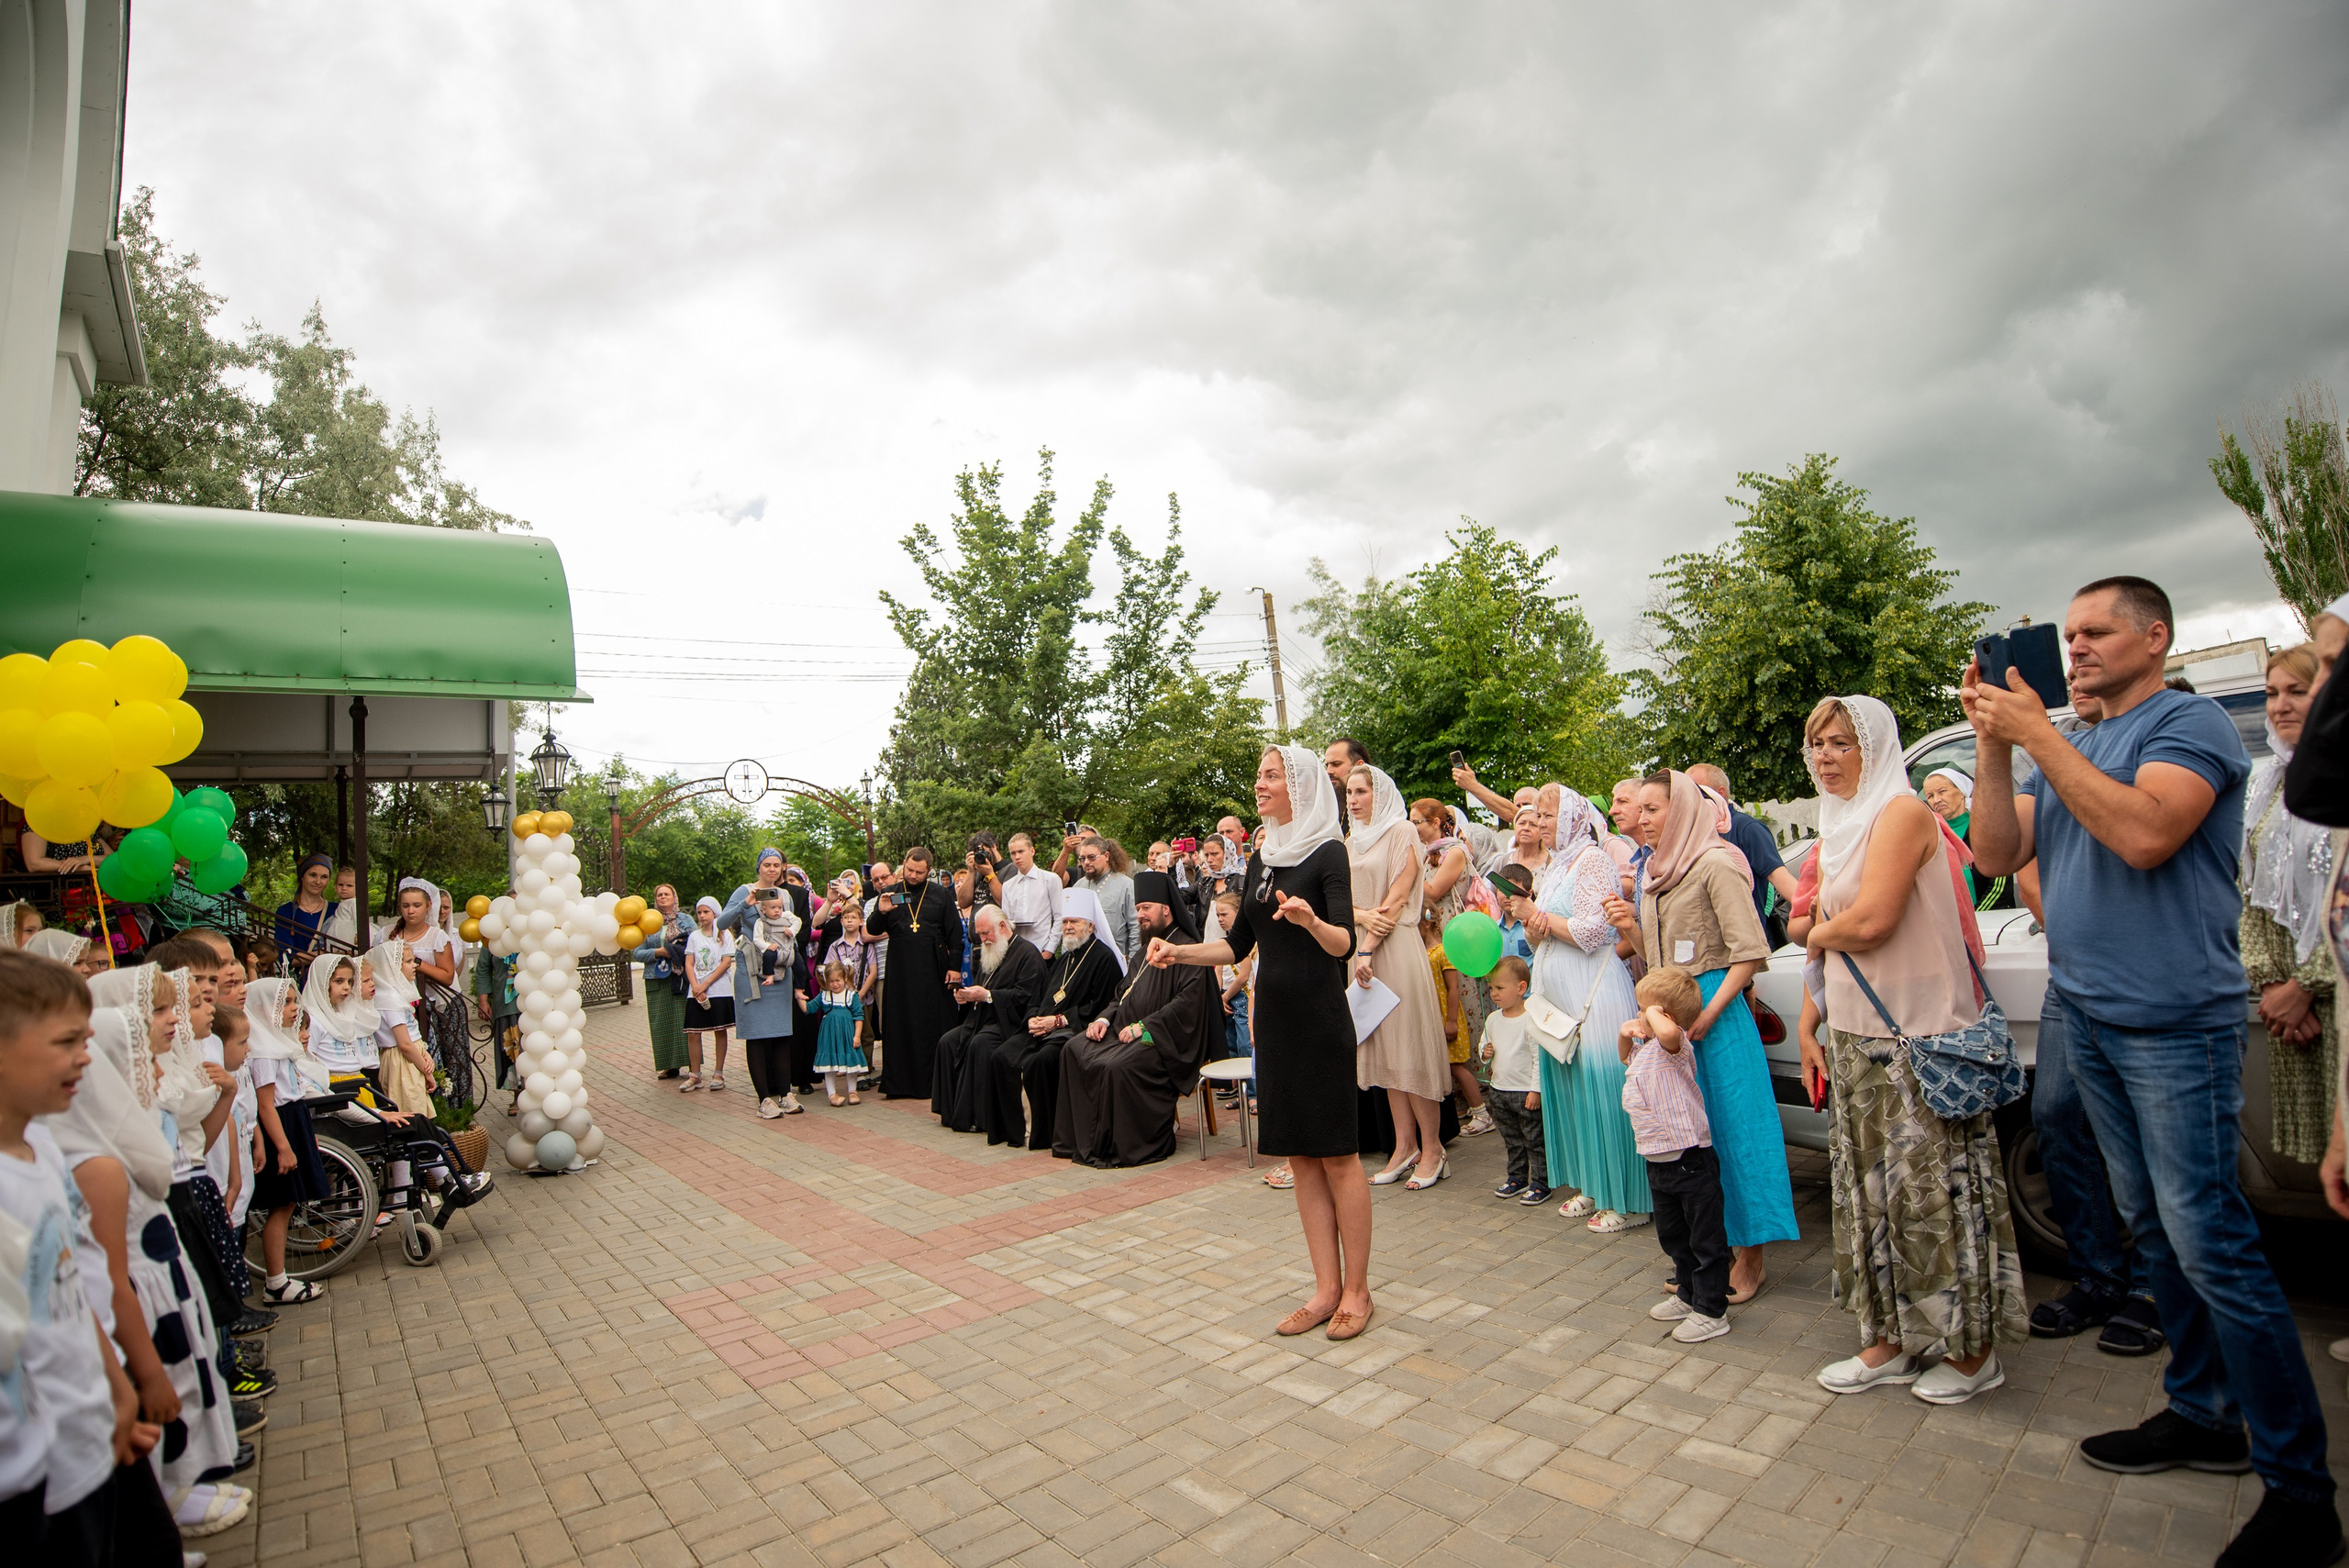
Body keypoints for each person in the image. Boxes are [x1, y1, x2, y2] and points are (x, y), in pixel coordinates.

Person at [1966, 576, 2334, 1563]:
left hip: (2175, 1022)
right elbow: (1995, 851)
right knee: (2155, 1231)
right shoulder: (2070, 740)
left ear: (2155, 636)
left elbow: (2143, 834)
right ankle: (2204, 1412)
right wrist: (1996, 744)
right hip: (2088, 1012)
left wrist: (2038, 736)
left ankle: (2302, 1490)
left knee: (2212, 1240)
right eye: (2069, 633)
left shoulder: (2189, 724)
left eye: (2095, 631)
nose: (2076, 647)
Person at [1796, 695, 2025, 1405]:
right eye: (1816, 743)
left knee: (1931, 1199)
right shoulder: (1841, 826)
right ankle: (1888, 1342)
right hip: (1859, 1035)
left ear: (1876, 747)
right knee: (1873, 1197)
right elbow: (1836, 927)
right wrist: (1813, 1013)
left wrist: (1812, 932)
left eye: (1842, 742)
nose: (1826, 756)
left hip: (1915, 1040)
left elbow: (1871, 921)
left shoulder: (1900, 813)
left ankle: (1972, 1352)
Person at [1149, 745, 1370, 1336]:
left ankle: (1357, 1292)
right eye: (1258, 775)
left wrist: (1311, 921)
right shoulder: (1263, 858)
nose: (1260, 783)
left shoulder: (1328, 852)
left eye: (1272, 775)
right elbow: (1236, 944)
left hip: (1321, 1020)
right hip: (1274, 1022)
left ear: (1299, 785)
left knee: (1338, 1156)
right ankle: (1325, 1290)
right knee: (1299, 1156)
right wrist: (1178, 953)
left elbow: (1345, 943)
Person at [0, 949, 183, 1565]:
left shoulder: (43, 1149)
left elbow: (72, 1289)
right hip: (31, 1472)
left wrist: (116, 1389)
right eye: (66, 1042)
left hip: (92, 1428)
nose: (86, 1057)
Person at [1608, 772, 1797, 1303]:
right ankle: (1710, 1250)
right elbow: (1658, 956)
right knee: (1691, 1136)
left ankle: (1751, 1256)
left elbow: (1751, 951)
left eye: (1653, 809)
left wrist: (1711, 1012)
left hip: (1718, 1012)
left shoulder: (1715, 863)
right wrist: (1628, 927)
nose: (1642, 818)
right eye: (1640, 809)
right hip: (1673, 1014)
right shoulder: (1654, 873)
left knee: (1737, 1131)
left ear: (1684, 810)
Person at [1531, 789, 1648, 1233]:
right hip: (1560, 996)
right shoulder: (1556, 865)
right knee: (1575, 1094)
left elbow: (1594, 932)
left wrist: (1542, 920)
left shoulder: (1593, 860)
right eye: (1538, 815)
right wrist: (1531, 921)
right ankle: (1593, 1184)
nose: (1540, 823)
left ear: (1573, 818)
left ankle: (1628, 1199)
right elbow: (1542, 935)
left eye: (1549, 815)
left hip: (1593, 993)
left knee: (1604, 1093)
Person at [1053, 870, 1221, 1167]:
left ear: (1166, 909)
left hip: (1165, 1039)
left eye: (1146, 908)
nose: (1140, 915)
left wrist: (1145, 1026)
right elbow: (1121, 994)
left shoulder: (1187, 950)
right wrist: (1103, 1020)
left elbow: (1187, 1005)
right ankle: (1080, 1141)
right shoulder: (1145, 950)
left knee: (1116, 1067)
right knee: (1073, 1049)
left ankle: (1125, 1145)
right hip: (1124, 1030)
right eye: (1138, 909)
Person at [2240, 643, 2334, 1165]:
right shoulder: (2271, 786)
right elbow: (2250, 894)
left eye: (2297, 691)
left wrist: (2307, 986)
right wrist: (2274, 984)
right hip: (2295, 1012)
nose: (2280, 705)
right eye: (2272, 693)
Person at [1346, 764, 1452, 1189]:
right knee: (1386, 1053)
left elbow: (1398, 895)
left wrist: (1368, 947)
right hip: (1362, 949)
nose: (1353, 799)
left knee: (1410, 1049)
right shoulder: (1350, 840)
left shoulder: (1402, 832)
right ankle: (1404, 1146)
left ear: (1382, 793)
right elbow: (1342, 900)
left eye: (1361, 791)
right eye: (1349, 792)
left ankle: (1434, 1148)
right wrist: (1360, 924)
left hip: (1394, 948)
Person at [1619, 965, 1731, 1343]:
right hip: (1657, 1159)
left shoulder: (1675, 1046)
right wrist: (1625, 1033)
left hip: (1689, 1159)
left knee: (1706, 1238)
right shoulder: (1647, 1050)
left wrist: (1653, 1014)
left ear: (1663, 1015)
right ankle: (1688, 1292)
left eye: (1643, 1009)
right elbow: (1623, 1057)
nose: (1639, 1015)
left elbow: (1667, 1031)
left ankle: (1712, 1310)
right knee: (1674, 1235)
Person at [976, 889, 1121, 1150]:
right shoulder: (1064, 959)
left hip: (1073, 1031)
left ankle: (1040, 1134)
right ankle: (1012, 1131)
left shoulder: (1104, 959)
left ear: (1091, 926)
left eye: (1074, 921)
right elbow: (1040, 996)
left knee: (1041, 1061)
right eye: (1065, 922)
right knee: (1001, 1056)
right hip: (1043, 1028)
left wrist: (1058, 1021)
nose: (1068, 927)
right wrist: (1033, 1017)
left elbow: (1100, 1006)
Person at [241, 977, 330, 1306]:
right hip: (280, 1125)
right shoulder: (264, 1051)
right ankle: (275, 1281)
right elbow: (266, 1105)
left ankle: (278, 1279)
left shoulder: (278, 1042)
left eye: (295, 1001)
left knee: (288, 1203)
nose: (295, 1009)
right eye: (287, 1003)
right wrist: (283, 1147)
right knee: (281, 1204)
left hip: (292, 1119)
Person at [1413, 799, 1494, 1135]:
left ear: (1435, 822)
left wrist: (1405, 870)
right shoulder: (1425, 853)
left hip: (1453, 938)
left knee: (1463, 1014)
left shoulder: (1456, 852)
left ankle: (1481, 1096)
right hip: (1432, 935)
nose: (1414, 828)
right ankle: (1459, 1096)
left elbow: (1432, 891)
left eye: (1417, 822)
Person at [934, 906, 1045, 1132]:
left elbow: (1026, 996)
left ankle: (978, 1118)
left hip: (1011, 1023)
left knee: (980, 1043)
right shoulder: (990, 950)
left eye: (986, 933)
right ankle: (952, 1113)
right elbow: (981, 987)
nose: (983, 939)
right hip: (983, 1019)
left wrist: (987, 996)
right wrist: (966, 995)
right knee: (947, 1041)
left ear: (1002, 926)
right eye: (979, 934)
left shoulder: (1028, 954)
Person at [864, 847, 961, 1101]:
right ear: (904, 864)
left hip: (934, 965)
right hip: (901, 967)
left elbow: (955, 934)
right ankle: (901, 1084)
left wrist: (954, 967)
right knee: (901, 1022)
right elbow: (872, 930)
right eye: (910, 870)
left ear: (929, 871)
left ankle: (935, 1083)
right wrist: (881, 911)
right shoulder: (889, 893)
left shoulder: (940, 894)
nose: (913, 876)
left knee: (933, 1022)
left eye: (919, 872)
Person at [1687, 765, 1797, 929]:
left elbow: (1778, 877)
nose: (1689, 798)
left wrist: (1815, 913)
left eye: (1698, 791)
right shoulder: (1693, 835)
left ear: (1720, 793)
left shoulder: (1746, 828)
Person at [1477, 956, 1546, 1204]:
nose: (1494, 994)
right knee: (1512, 1140)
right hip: (1499, 1090)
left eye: (1500, 987)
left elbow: (1538, 1058)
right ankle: (1516, 1177)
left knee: (1534, 1140)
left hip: (1524, 1092)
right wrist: (1485, 1053)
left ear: (1521, 988)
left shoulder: (1530, 1019)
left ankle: (1541, 1182)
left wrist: (1536, 1090)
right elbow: (1484, 1047)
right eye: (1491, 988)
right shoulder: (1493, 1019)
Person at [680, 897, 733, 1095]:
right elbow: (689, 963)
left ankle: (718, 1073)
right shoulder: (694, 936)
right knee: (693, 1032)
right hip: (696, 992)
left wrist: (706, 984)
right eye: (699, 912)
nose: (702, 916)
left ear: (715, 913)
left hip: (719, 990)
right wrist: (696, 986)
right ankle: (695, 1075)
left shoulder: (725, 935)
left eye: (706, 912)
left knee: (720, 1029)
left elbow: (726, 963)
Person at [1448, 763, 1541, 873]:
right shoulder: (1510, 845)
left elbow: (1510, 812)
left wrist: (1472, 785)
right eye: (1517, 806)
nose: (1521, 811)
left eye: (1526, 805)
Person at [638, 884, 689, 1079]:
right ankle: (669, 1066)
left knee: (684, 1021)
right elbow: (637, 953)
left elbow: (694, 943)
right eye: (659, 894)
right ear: (655, 899)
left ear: (674, 897)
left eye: (667, 894)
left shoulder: (685, 920)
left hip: (680, 977)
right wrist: (658, 952)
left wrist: (676, 952)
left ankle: (692, 1065)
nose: (663, 897)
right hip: (656, 978)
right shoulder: (646, 921)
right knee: (661, 1024)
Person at [1067, 837, 1140, 964]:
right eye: (1082, 858)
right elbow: (1069, 926)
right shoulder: (1079, 886)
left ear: (1106, 856)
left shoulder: (1126, 886)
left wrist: (1132, 965)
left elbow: (1136, 928)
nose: (1086, 862)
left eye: (1091, 857)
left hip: (1114, 961)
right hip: (1083, 961)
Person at [810, 962, 865, 1106]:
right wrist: (798, 996)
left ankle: (852, 1091)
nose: (835, 984)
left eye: (838, 980)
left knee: (851, 1063)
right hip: (829, 1037)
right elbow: (809, 1008)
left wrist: (857, 1035)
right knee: (829, 1065)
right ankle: (832, 1094)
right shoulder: (824, 996)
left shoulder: (851, 995)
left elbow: (859, 1016)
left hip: (847, 1035)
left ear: (845, 978)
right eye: (831, 981)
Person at [998, 833, 1063, 956]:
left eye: (1021, 851)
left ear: (1032, 851)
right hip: (1016, 952)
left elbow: (1060, 916)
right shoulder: (1008, 886)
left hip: (1041, 949)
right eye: (1013, 853)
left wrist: (1049, 949)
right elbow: (1006, 921)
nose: (1017, 857)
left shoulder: (1050, 879)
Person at [273, 854, 340, 968]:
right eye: (313, 875)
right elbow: (287, 959)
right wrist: (324, 954)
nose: (318, 881)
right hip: (303, 976)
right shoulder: (285, 912)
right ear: (302, 876)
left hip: (334, 975)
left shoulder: (336, 910)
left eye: (324, 877)